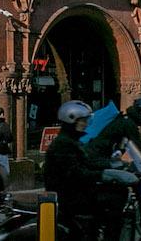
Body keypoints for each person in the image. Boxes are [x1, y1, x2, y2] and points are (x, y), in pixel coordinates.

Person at [42, 101, 102, 237]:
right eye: (82, 121)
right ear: (71, 120)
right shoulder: (63, 144)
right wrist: (104, 175)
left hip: (74, 194)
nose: (86, 124)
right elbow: (76, 173)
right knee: (112, 202)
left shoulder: (72, 141)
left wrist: (110, 165)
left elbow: (88, 163)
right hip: (68, 198)